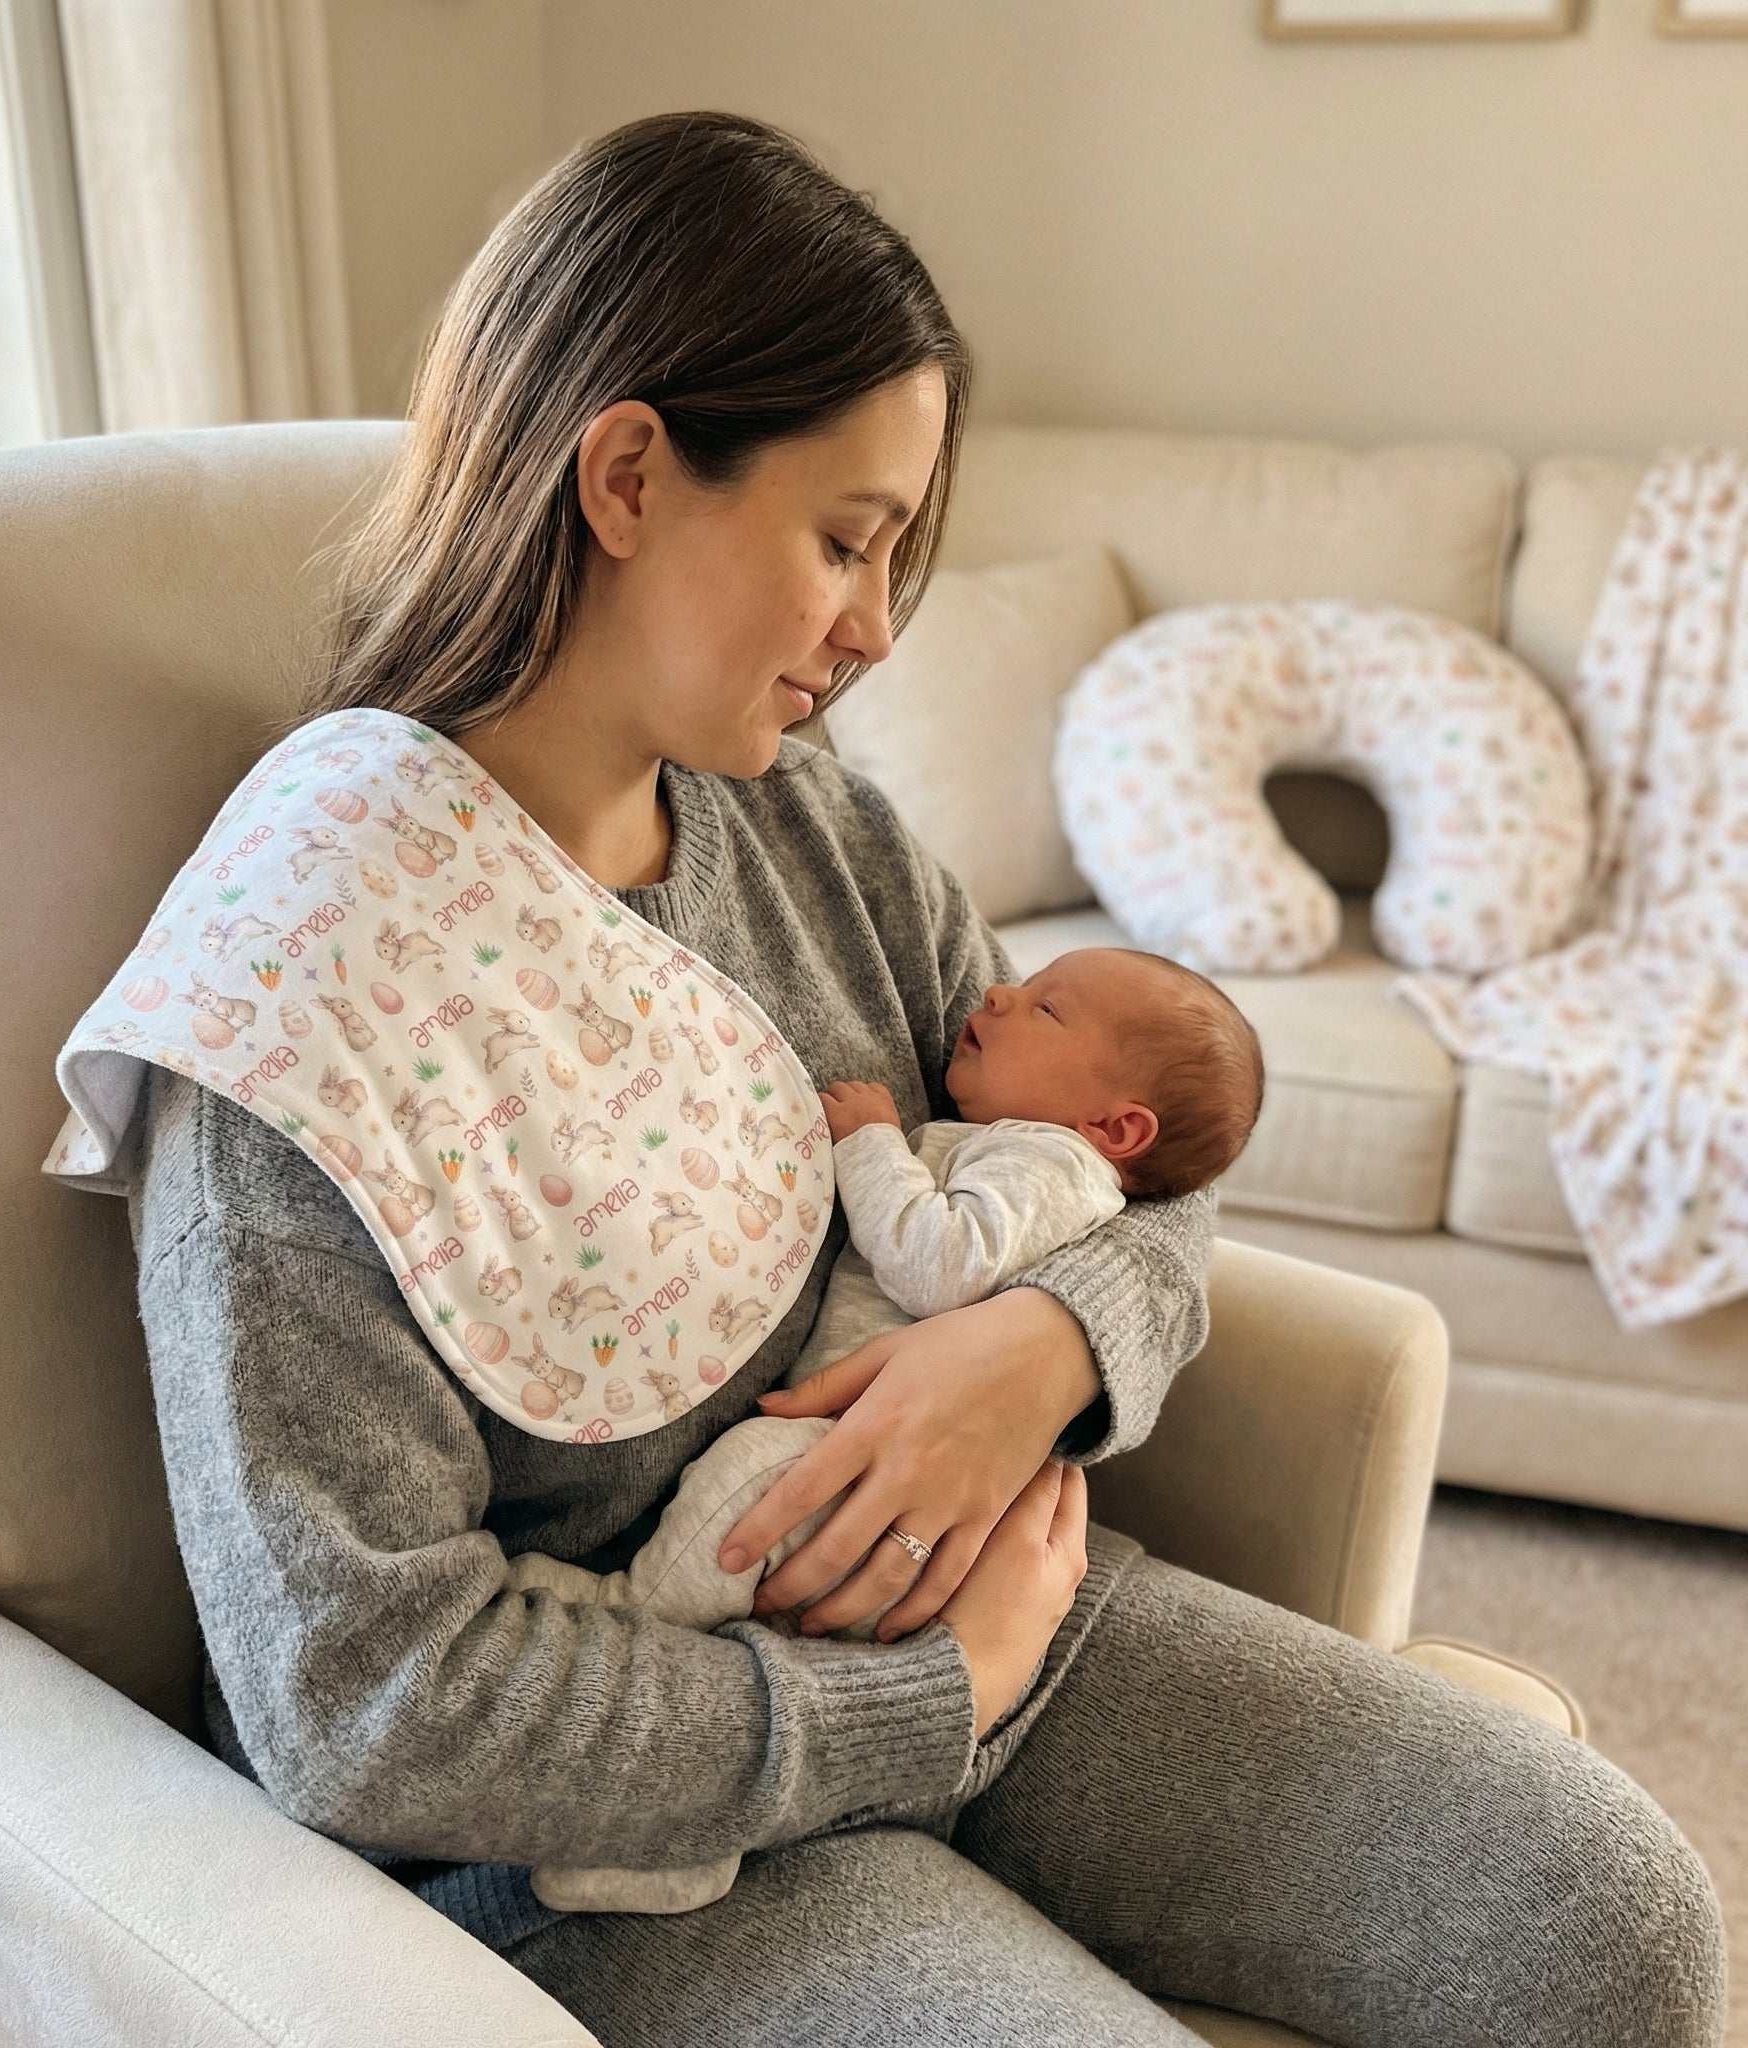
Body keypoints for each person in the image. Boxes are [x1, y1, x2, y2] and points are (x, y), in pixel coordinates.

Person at [122, 110, 1727, 2045]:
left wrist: (1042, 1348)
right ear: (626, 472)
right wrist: (913, 1701)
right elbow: (358, 1692)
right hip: (608, 1845)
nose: (877, 631)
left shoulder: (802, 825)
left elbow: (1141, 1155)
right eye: (844, 541)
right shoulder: (303, 991)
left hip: (1008, 1617)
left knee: (1603, 1912)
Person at [511, 945, 1267, 1914]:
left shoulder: (1049, 1159)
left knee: (748, 1482)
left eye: (1045, 1009)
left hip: (849, 1458)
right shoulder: (1036, 1138)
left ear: (1113, 1125)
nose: (996, 991)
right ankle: (686, 1810)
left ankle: (626, 1615)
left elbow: (938, 1264)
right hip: (881, 1503)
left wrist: (871, 1143)